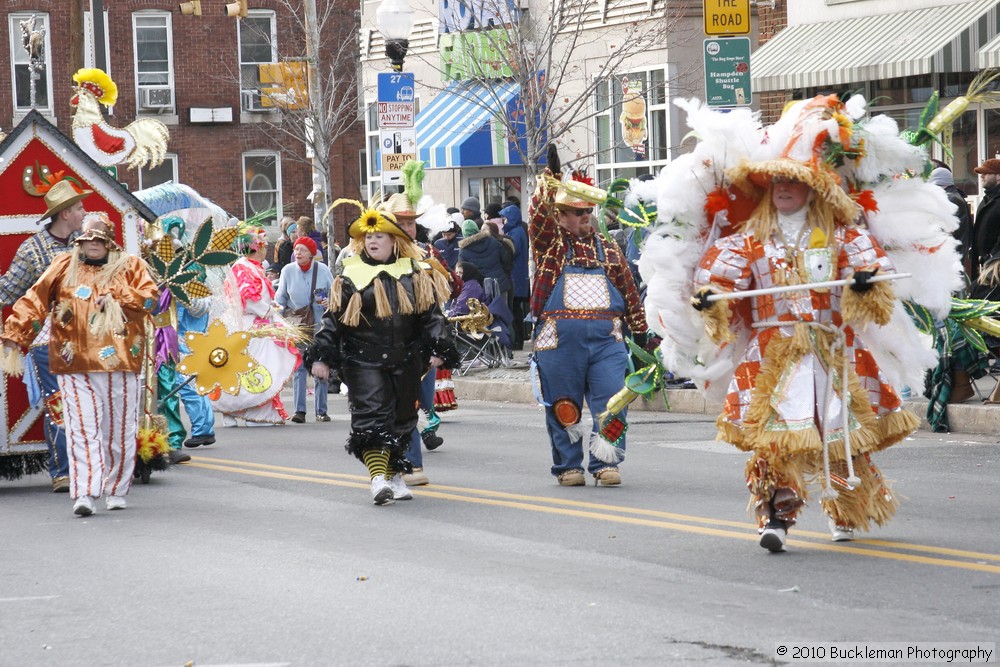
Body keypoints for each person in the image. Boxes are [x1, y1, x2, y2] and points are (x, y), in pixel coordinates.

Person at [686, 97, 925, 553]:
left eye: (792, 180)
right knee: (776, 440)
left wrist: (861, 284)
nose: (782, 187)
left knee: (842, 432)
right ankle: (775, 515)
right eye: (775, 180)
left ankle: (847, 508)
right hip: (774, 351)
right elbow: (717, 279)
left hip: (833, 347)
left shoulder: (841, 234)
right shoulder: (750, 239)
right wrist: (709, 297)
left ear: (814, 188)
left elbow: (873, 274)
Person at [2, 212, 158, 516]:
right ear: (79, 241)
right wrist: (13, 332)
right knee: (81, 429)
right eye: (88, 239)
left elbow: (150, 300)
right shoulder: (63, 265)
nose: (94, 244)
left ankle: (115, 488)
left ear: (110, 241)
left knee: (118, 433)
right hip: (74, 364)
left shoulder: (131, 266)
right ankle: (85, 491)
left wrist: (116, 297)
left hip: (120, 364)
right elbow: (34, 300)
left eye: (100, 239)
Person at [305, 200, 457, 505]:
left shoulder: (415, 274)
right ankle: (377, 479)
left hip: (406, 359)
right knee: (372, 418)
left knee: (402, 420)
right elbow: (332, 320)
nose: (373, 241)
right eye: (368, 238)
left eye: (380, 237)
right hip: (363, 360)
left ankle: (395, 475)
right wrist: (321, 355)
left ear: (394, 241)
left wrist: (440, 347)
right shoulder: (349, 277)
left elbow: (431, 316)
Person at [528, 152, 651, 487]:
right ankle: (569, 466)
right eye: (575, 213)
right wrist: (548, 180)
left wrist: (642, 335)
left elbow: (629, 292)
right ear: (560, 214)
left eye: (587, 212)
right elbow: (537, 218)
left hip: (606, 341)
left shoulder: (609, 251)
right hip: (557, 342)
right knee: (563, 406)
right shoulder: (550, 246)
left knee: (613, 400)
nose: (583, 218)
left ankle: (605, 461)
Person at [0, 179, 89, 491]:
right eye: (79, 208)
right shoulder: (33, 250)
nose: (84, 212)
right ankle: (62, 471)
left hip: (88, 337)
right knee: (58, 404)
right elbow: (8, 290)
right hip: (48, 339)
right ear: (64, 213)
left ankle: (92, 469)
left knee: (90, 403)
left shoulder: (88, 244)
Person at [212, 225, 297, 426]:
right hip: (249, 325)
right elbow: (247, 298)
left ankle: (241, 412)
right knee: (254, 367)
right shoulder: (242, 267)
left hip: (251, 324)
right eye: (263, 245)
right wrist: (268, 310)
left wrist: (270, 307)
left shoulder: (248, 266)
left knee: (254, 367)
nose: (265, 248)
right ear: (255, 247)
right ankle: (251, 412)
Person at [275, 236, 334, 423]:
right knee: (299, 366)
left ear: (311, 253)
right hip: (298, 324)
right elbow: (281, 298)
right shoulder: (287, 271)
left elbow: (335, 296)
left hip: (320, 325)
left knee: (320, 365)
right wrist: (278, 319)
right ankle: (299, 411)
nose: (297, 253)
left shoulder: (323, 270)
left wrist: (329, 303)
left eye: (302, 250)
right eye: (296, 249)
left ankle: (321, 411)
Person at [458, 218, 513, 306]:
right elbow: (506, 260)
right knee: (504, 315)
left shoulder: (463, 250)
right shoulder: (492, 240)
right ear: (477, 229)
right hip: (500, 283)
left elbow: (463, 272)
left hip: (479, 289)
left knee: (484, 317)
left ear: (464, 234)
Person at [500, 203, 530, 350]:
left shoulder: (516, 232)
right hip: (518, 275)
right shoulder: (516, 231)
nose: (503, 221)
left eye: (504, 218)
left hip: (516, 276)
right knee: (516, 309)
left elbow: (513, 251)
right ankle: (518, 339)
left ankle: (517, 340)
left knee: (515, 310)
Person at [971, 158, 1000, 284]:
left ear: (998, 176)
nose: (982, 176)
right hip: (983, 265)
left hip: (995, 267)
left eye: (986, 173)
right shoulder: (985, 201)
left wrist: (992, 257)